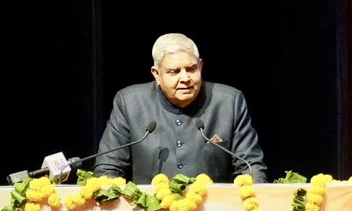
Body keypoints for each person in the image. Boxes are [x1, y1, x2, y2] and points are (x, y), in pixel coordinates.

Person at [92, 33, 268, 182]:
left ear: (200, 66)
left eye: (191, 69)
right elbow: (108, 169)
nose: (185, 78)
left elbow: (251, 166)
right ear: (157, 74)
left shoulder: (229, 102)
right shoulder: (129, 103)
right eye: (174, 71)